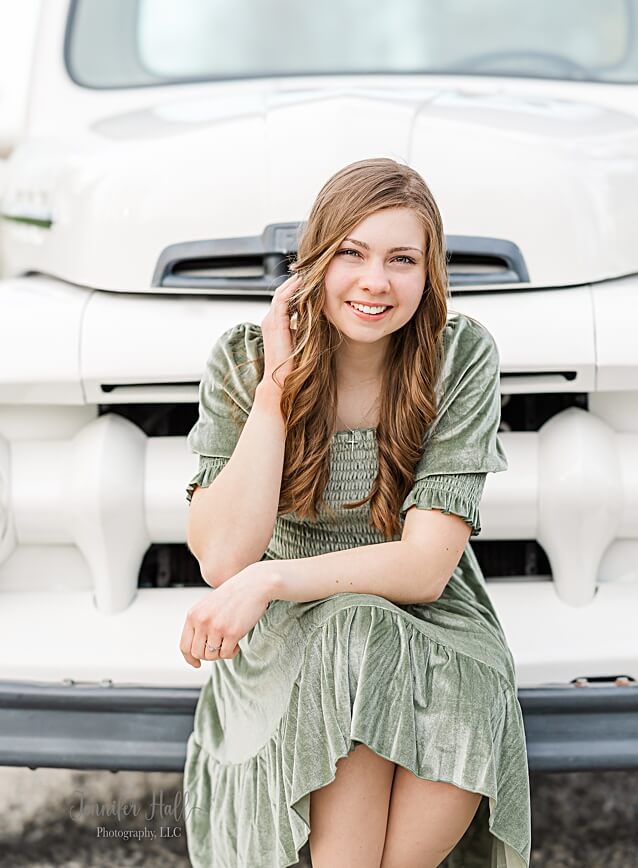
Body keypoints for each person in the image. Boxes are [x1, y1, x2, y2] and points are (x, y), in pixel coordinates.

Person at [179, 157, 531, 868]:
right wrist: (278, 389)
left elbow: (426, 568)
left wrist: (270, 580)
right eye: (352, 253)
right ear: (312, 263)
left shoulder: (457, 356)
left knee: (365, 631)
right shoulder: (243, 361)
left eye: (403, 259)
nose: (377, 281)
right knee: (352, 634)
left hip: (437, 631)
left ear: (429, 273)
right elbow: (223, 557)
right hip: (293, 642)